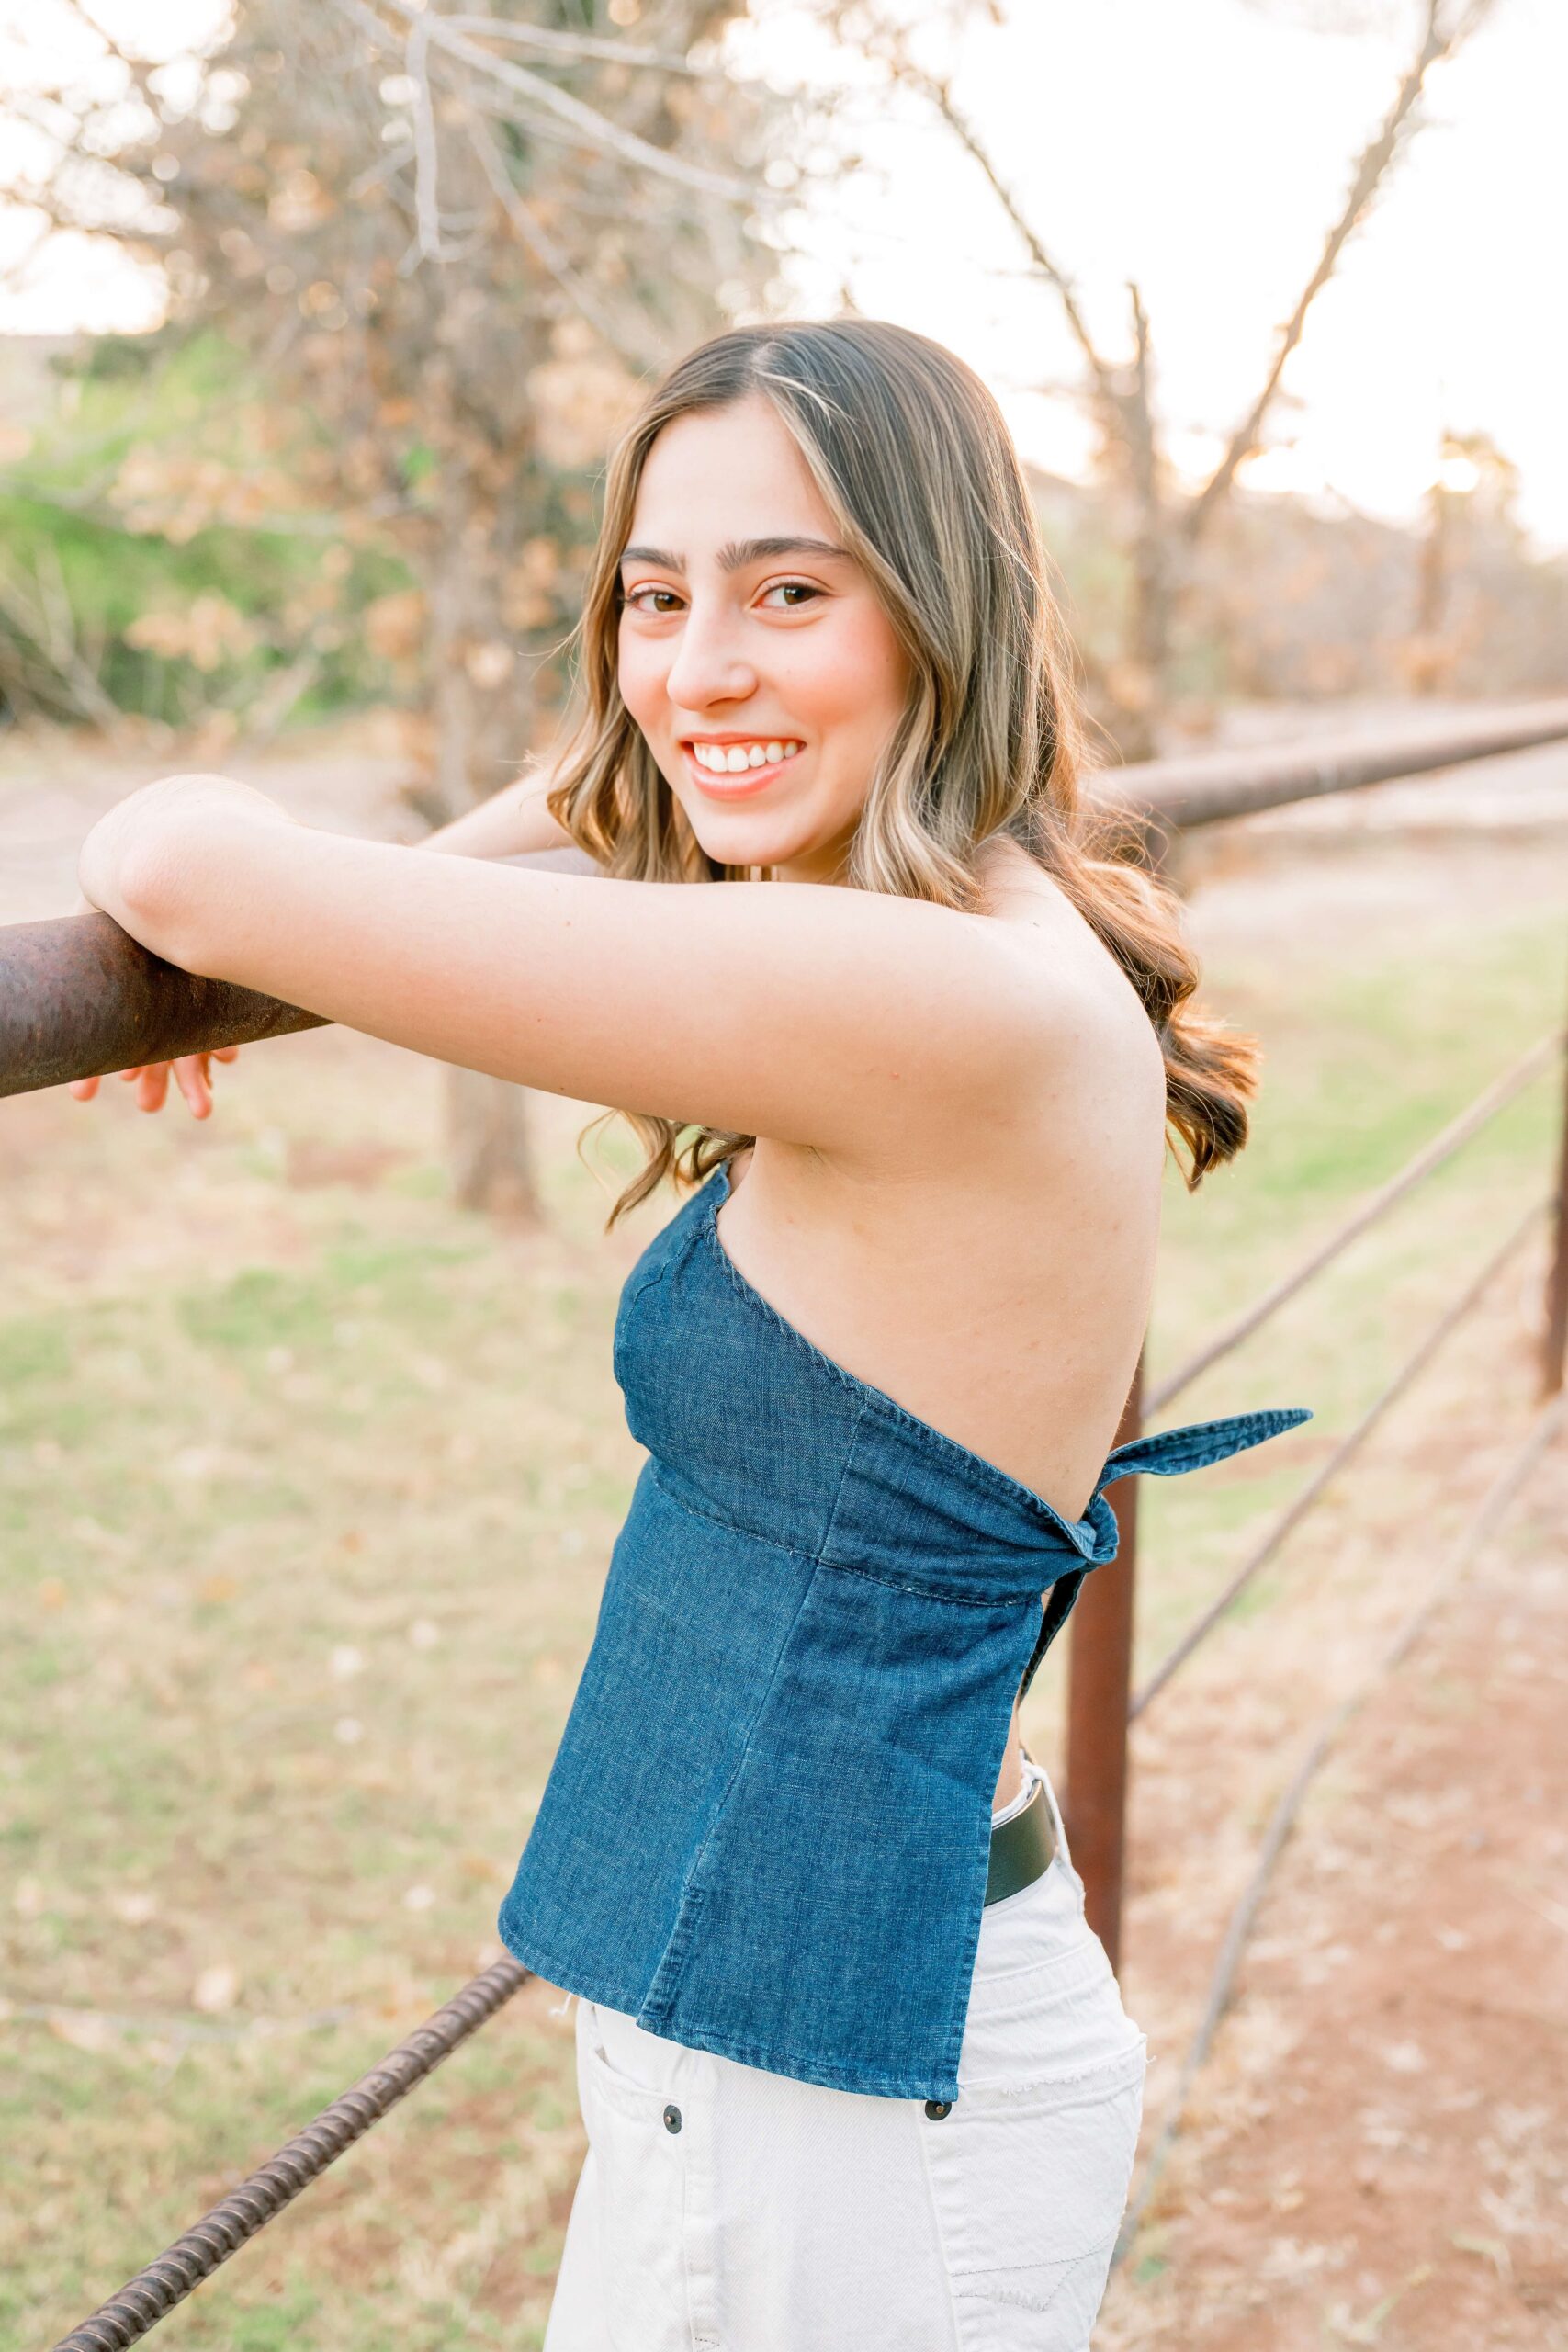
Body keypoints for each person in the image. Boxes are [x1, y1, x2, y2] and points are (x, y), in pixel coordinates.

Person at [74, 319, 1309, 2350]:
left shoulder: (933, 1002)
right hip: (787, 2028)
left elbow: (187, 862)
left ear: (947, 613)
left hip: (847, 2105)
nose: (697, 663)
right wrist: (677, 710)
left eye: (791, 590)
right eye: (655, 596)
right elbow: (604, 769)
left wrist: (255, 923)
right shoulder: (964, 920)